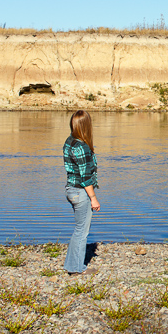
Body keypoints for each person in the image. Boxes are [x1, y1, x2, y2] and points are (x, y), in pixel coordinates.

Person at [63, 110, 100, 276]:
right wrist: (93, 198)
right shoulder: (82, 147)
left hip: (70, 189)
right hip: (81, 192)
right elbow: (85, 178)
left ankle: (72, 265)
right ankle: (77, 268)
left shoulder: (69, 141)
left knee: (78, 229)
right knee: (81, 232)